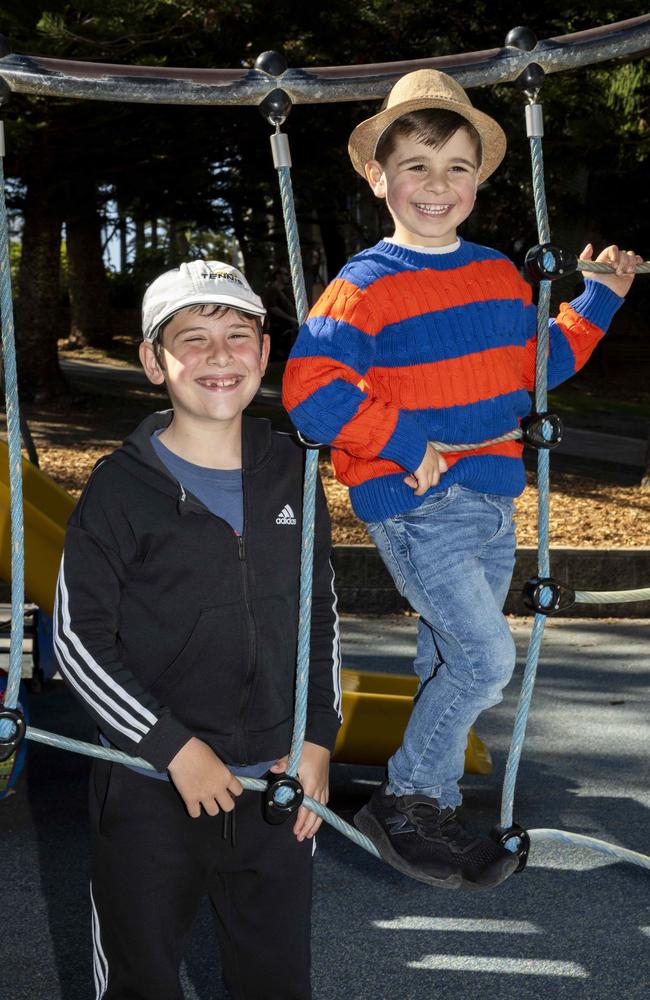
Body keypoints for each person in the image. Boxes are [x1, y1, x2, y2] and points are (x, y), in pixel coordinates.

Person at [282, 69, 641, 891]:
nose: (436, 185)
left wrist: (601, 300)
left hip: (489, 501)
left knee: (450, 655)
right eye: (415, 165)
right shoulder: (366, 283)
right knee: (484, 661)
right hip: (418, 503)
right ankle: (404, 797)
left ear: (479, 179)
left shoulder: (496, 275)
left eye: (455, 168)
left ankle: (432, 806)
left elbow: (535, 371)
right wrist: (403, 441)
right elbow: (312, 386)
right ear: (378, 177)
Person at [54, 259, 342, 999]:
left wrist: (314, 742)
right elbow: (76, 642)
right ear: (155, 361)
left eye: (237, 336)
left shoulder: (293, 470)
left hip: (272, 784)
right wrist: (171, 748)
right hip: (153, 787)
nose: (219, 356)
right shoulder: (120, 490)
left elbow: (321, 616)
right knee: (141, 981)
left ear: (265, 353)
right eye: (193, 338)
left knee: (277, 981)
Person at [262, 265, 298, 360]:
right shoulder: (271, 290)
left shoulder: (286, 291)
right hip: (277, 330)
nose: (288, 276)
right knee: (279, 358)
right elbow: (272, 308)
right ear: (278, 276)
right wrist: (290, 318)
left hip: (289, 329)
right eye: (285, 274)